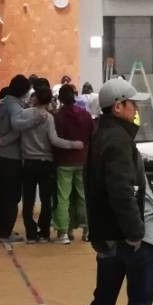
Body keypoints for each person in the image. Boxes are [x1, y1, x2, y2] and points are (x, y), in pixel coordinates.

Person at [56, 78, 153, 305]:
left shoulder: (100, 137)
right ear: (118, 106)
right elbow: (120, 191)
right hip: (131, 241)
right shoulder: (118, 141)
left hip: (108, 241)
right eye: (133, 103)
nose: (136, 109)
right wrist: (134, 232)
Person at [20, 78, 83, 243]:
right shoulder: (49, 118)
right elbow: (54, 141)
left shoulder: (24, 114)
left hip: (28, 162)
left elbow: (18, 130)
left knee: (28, 199)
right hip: (46, 162)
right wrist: (73, 144)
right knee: (46, 199)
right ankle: (44, 232)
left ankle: (31, 234)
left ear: (35, 98)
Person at [0, 76, 43, 241]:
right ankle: (5, 232)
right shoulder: (14, 107)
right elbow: (17, 126)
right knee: (11, 196)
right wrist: (36, 119)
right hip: (12, 157)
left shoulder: (3, 103)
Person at [54, 82, 95, 244]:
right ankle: (87, 230)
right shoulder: (85, 114)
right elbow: (93, 135)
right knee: (84, 196)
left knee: (63, 197)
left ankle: (64, 232)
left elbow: (54, 139)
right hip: (83, 159)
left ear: (61, 99)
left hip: (63, 161)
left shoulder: (58, 116)